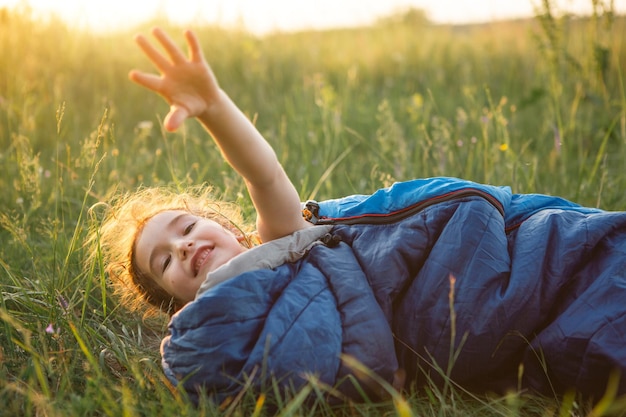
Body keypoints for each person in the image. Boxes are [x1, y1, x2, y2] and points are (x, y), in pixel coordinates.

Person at [94, 28, 626, 405]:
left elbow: (265, 175)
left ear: (230, 228)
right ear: (178, 304)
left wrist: (213, 107)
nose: (182, 248)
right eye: (164, 262)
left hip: (476, 258)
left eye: (185, 228)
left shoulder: (278, 241)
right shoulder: (223, 323)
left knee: (582, 261)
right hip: (455, 330)